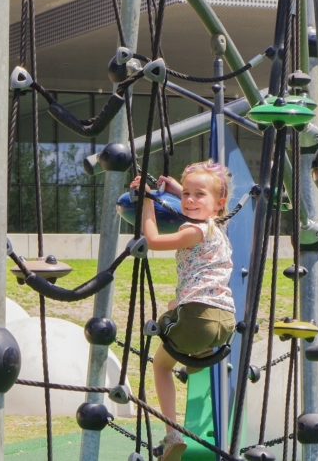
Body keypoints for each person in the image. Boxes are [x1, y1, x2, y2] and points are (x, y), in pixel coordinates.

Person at [128, 160, 236, 461]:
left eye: (198, 195)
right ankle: (194, 357)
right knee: (185, 331)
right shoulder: (219, 229)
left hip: (197, 318)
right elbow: (199, 202)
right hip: (224, 323)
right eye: (186, 194)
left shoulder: (193, 230)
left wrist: (147, 202)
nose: (189, 200)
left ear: (218, 202)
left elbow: (154, 240)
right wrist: (178, 188)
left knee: (161, 365)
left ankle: (172, 433)